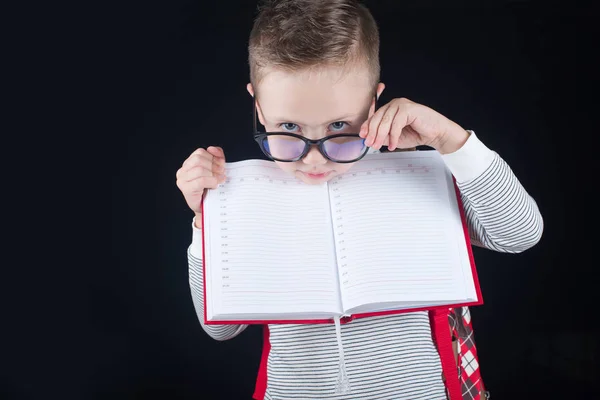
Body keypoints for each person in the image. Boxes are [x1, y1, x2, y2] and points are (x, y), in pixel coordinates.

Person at [175, 1, 544, 399]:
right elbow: (221, 327)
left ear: (373, 103)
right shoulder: (243, 194)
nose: (313, 159)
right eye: (288, 127)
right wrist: (205, 220)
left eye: (338, 126)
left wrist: (451, 141)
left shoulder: (417, 176)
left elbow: (519, 234)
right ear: (258, 107)